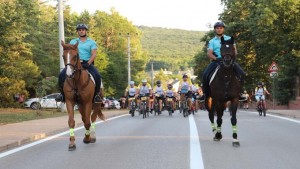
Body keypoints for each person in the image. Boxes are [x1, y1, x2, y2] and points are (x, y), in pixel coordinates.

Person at [56, 24, 102, 103]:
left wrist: (88, 63)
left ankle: (96, 95)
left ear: (85, 31)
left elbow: (94, 54)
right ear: (77, 32)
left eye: (83, 30)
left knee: (97, 75)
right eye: (79, 30)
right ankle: (62, 94)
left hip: (87, 63)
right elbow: (69, 53)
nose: (81, 31)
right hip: (74, 64)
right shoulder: (73, 41)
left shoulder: (91, 42)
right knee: (61, 75)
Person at [202, 21, 245, 99]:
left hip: (229, 61)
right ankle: (205, 94)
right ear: (215, 29)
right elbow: (209, 53)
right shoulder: (212, 41)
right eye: (217, 28)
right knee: (205, 74)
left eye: (221, 28)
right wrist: (216, 58)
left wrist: (231, 58)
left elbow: (235, 51)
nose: (219, 29)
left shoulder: (229, 39)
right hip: (217, 61)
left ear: (223, 29)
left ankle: (240, 92)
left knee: (242, 74)